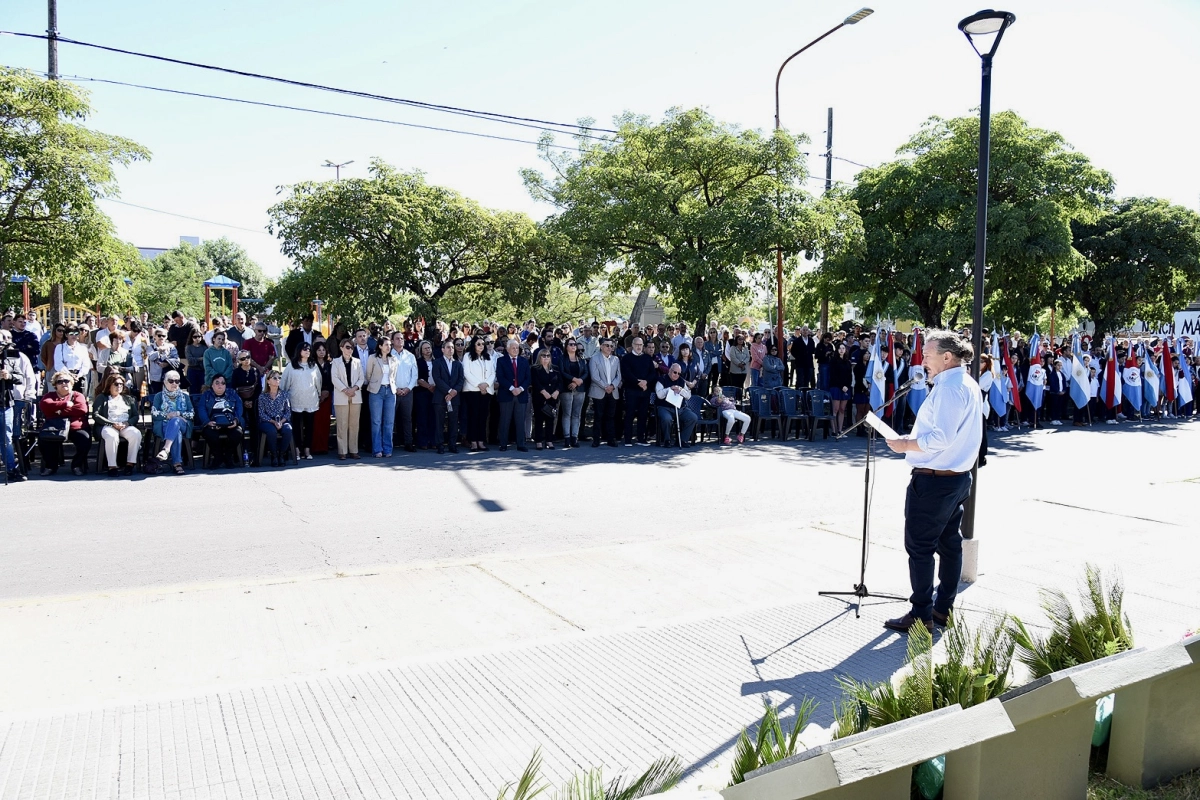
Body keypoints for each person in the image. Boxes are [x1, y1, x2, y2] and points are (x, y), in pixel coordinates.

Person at [883, 330, 983, 634]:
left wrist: (904, 444)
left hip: (935, 481)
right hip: (953, 478)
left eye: (927, 354)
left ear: (947, 356)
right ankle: (941, 611)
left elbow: (940, 438)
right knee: (949, 544)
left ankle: (922, 614)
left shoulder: (951, 388)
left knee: (921, 547)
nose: (923, 359)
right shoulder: (963, 383)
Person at [38, 370, 91, 476]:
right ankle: (50, 466)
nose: (63, 383)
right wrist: (66, 404)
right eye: (59, 382)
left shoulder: (78, 395)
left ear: (71, 383)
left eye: (66, 381)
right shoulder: (49, 395)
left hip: (76, 427)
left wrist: (58, 411)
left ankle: (77, 465)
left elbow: (81, 409)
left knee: (85, 440)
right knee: (44, 441)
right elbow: (45, 405)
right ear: (55, 385)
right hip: (55, 427)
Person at [1, 330, 37, 481]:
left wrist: (8, 376)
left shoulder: (11, 358)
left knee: (6, 438)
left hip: (4, 402)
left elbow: (20, 377)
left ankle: (11, 469)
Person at [92, 371, 142, 476]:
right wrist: (111, 423)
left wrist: (127, 423)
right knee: (112, 435)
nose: (119, 386)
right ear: (109, 385)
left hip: (124, 425)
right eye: (116, 384)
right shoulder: (102, 397)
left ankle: (130, 464)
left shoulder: (128, 398)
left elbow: (135, 416)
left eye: (121, 384)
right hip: (108, 425)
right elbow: (95, 415)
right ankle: (112, 466)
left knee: (136, 434)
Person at [196, 374, 245, 469]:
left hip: (231, 423)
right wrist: (207, 422)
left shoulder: (232, 393)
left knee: (238, 432)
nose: (220, 385)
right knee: (209, 434)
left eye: (223, 383)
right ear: (212, 385)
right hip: (213, 423)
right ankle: (218, 457)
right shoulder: (206, 395)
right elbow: (201, 409)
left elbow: (239, 407)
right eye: (217, 383)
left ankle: (227, 456)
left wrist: (236, 420)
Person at [365, 337, 400, 458]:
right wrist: (375, 384)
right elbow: (368, 375)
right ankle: (377, 449)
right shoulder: (373, 358)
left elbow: (393, 376)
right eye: (386, 344)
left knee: (389, 422)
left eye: (390, 345)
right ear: (380, 346)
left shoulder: (393, 359)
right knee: (376, 421)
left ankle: (387, 449)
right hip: (376, 391)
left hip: (390, 391)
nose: (388, 347)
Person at [495, 338, 531, 452]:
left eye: (517, 348)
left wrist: (520, 389)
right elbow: (500, 377)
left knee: (520, 420)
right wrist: (511, 388)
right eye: (513, 348)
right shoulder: (501, 361)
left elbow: (528, 378)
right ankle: (503, 444)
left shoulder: (524, 361)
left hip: (521, 394)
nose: (515, 350)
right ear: (507, 349)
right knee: (505, 420)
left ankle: (521, 444)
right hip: (506, 394)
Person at [461, 335, 495, 452]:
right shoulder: (468, 356)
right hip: (472, 390)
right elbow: (466, 373)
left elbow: (492, 373)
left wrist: (486, 384)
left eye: (482, 344)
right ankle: (473, 442)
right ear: (474, 345)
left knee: (483, 416)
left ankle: (481, 441)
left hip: (486, 390)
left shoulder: (488, 357)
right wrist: (479, 385)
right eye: (478, 344)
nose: (481, 346)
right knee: (473, 416)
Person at [432, 339, 464, 454]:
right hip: (440, 397)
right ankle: (440, 445)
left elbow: (461, 380)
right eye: (448, 347)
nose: (451, 349)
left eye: (452, 347)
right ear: (443, 349)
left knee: (453, 422)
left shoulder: (458, 364)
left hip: (454, 398)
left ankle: (452, 444)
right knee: (439, 422)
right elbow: (437, 379)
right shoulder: (437, 362)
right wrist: (449, 391)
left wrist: (454, 392)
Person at [588, 338, 621, 448]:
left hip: (612, 391)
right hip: (599, 391)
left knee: (611, 416)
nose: (609, 348)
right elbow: (594, 376)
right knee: (598, 416)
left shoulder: (616, 359)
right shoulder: (594, 358)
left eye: (611, 346)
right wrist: (605, 386)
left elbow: (618, 376)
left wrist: (612, 386)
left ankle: (611, 439)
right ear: (601, 346)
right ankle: (596, 439)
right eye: (607, 345)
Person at [621, 337, 654, 446]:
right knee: (629, 414)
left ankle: (641, 439)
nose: (639, 347)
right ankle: (628, 439)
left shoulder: (647, 358)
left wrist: (645, 382)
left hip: (645, 391)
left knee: (643, 415)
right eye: (637, 344)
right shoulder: (626, 358)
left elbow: (652, 373)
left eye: (641, 345)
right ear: (632, 345)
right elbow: (626, 373)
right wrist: (638, 382)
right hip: (631, 390)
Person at [258, 370, 294, 466]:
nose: (277, 380)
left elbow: (288, 412)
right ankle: (273, 455)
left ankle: (281, 455)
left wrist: (281, 422)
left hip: (282, 420)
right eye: (275, 378)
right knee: (271, 431)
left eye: (279, 378)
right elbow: (261, 413)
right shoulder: (262, 396)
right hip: (268, 421)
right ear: (268, 381)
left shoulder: (284, 394)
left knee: (288, 429)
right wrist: (273, 422)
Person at [655, 363, 696, 446]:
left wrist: (681, 390)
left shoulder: (681, 381)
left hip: (680, 408)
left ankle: (682, 440)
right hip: (665, 407)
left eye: (679, 373)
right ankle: (667, 440)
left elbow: (688, 396)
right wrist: (670, 389)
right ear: (670, 370)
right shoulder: (661, 379)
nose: (677, 375)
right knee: (667, 419)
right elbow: (659, 395)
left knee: (693, 417)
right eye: (675, 372)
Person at [530, 348, 562, 450]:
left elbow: (560, 382)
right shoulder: (535, 369)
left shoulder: (555, 368)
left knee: (550, 419)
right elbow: (535, 382)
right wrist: (543, 392)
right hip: (540, 398)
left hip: (553, 397)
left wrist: (557, 391)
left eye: (548, 355)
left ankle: (549, 440)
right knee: (539, 420)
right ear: (539, 357)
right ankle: (538, 441)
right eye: (544, 356)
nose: (546, 358)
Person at [559, 338, 588, 449]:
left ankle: (574, 438)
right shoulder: (562, 358)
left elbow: (586, 372)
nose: (573, 346)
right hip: (567, 389)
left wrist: (578, 381)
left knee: (577, 414)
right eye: (570, 344)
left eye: (574, 344)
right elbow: (562, 372)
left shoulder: (581, 359)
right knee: (567, 414)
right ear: (566, 346)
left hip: (580, 389)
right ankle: (567, 438)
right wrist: (574, 379)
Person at [310, 340, 333, 455]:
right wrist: (318, 394)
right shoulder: (311, 364)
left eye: (323, 350)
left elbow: (332, 380)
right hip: (314, 396)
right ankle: (315, 447)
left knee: (325, 421)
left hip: (327, 395)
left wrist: (327, 391)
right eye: (319, 350)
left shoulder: (330, 364)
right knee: (315, 422)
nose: (321, 352)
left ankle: (324, 446)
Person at [829, 342, 853, 437]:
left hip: (846, 388)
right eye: (840, 348)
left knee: (842, 409)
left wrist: (847, 385)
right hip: (836, 387)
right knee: (835, 409)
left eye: (843, 348)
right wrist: (841, 386)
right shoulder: (833, 361)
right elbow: (834, 375)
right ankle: (834, 430)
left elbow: (849, 375)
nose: (842, 350)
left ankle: (840, 430)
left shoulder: (847, 362)